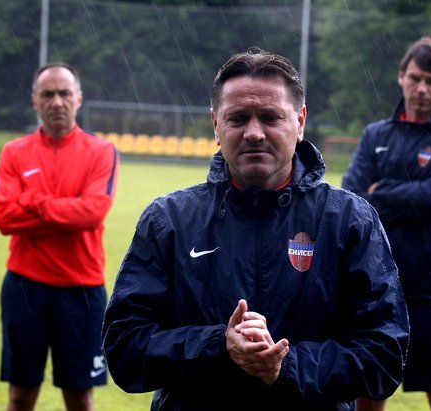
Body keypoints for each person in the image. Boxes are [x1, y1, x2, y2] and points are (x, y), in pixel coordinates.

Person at [101, 47, 409, 411]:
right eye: (237, 118)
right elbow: (124, 348)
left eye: (269, 117)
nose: (254, 133)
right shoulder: (169, 220)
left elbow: (384, 355)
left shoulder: (349, 221)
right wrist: (218, 344)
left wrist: (287, 366)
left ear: (300, 122)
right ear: (216, 125)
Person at [342, 37, 431, 411]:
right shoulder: (376, 135)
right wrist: (407, 197)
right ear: (401, 76)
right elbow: (354, 199)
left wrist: (382, 191)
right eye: (416, 78)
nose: (422, 88)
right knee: (369, 386)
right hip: (377, 282)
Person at [0, 62, 119, 411]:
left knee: (79, 397)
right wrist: (67, 212)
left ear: (78, 98)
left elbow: (92, 212)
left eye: (64, 93)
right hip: (24, 287)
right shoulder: (14, 152)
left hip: (81, 290)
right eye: (47, 94)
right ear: (35, 100)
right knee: (20, 394)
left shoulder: (102, 152)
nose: (57, 102)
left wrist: (33, 202)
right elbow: (5, 217)